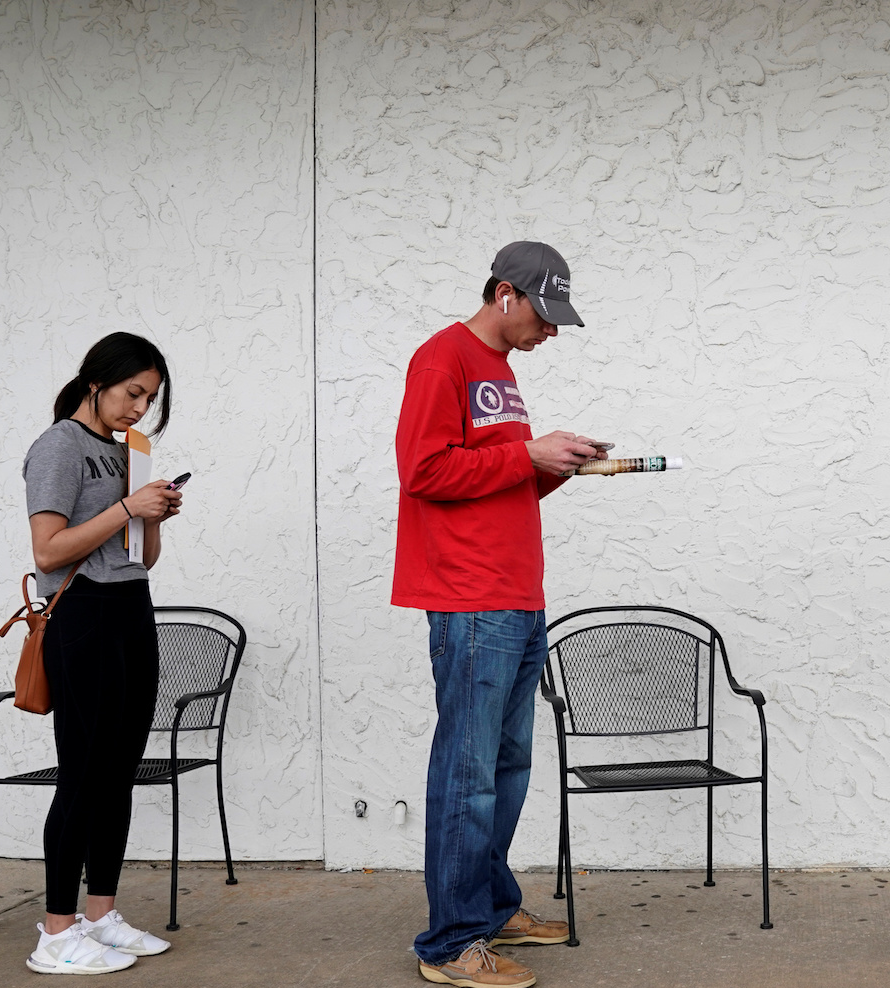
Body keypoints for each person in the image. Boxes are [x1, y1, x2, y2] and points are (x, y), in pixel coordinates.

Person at [393, 242, 606, 988]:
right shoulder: (441, 360)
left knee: (506, 767)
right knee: (468, 773)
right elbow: (422, 472)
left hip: (516, 592)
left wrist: (556, 468)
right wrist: (528, 455)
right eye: (544, 317)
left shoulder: (501, 373)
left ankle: (488, 905)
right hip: (470, 597)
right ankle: (451, 944)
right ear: (506, 294)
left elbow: (490, 482)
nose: (549, 333)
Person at [22, 332, 185, 975]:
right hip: (80, 615)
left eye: (149, 398)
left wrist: (153, 519)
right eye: (132, 393)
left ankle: (99, 915)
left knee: (119, 772)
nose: (140, 409)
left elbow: (138, 557)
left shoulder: (127, 453)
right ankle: (56, 932)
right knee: (83, 773)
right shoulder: (58, 446)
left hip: (129, 609)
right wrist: (125, 506)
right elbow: (47, 553)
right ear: (97, 380)